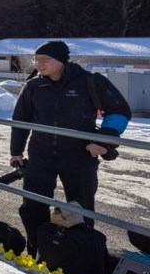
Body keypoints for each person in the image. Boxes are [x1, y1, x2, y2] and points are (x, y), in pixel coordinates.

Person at [9, 40, 131, 257]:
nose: (38, 64)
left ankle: (81, 255)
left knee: (79, 208)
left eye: (44, 59)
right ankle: (37, 249)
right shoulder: (34, 86)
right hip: (40, 155)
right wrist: (16, 152)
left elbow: (120, 111)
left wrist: (103, 142)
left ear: (61, 60)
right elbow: (21, 119)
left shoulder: (89, 81)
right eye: (36, 59)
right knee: (33, 206)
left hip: (79, 156)